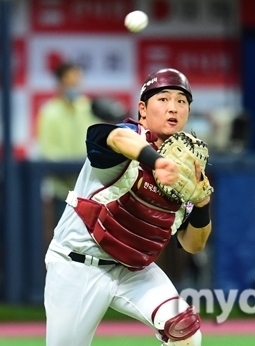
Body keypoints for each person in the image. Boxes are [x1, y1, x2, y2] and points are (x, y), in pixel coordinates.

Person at [43, 68, 211, 346]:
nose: (173, 107)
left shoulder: (186, 167)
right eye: (164, 99)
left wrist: (203, 202)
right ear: (143, 109)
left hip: (134, 270)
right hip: (79, 265)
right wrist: (156, 161)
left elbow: (193, 245)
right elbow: (117, 140)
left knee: (186, 331)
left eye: (182, 101)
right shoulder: (129, 134)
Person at [37, 61, 100, 225]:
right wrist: (69, 166)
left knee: (89, 239)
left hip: (89, 189)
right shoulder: (49, 112)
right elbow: (48, 151)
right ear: (60, 83)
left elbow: (97, 142)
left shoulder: (88, 108)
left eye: (76, 81)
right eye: (69, 81)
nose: (74, 85)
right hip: (62, 189)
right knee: (63, 239)